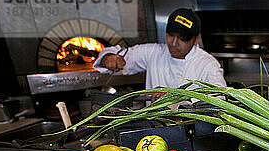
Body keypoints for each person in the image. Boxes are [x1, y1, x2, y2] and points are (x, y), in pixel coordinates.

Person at [93, 8, 226, 108]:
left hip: (191, 131)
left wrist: (179, 98)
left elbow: (220, 100)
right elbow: (117, 54)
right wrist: (109, 58)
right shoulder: (153, 52)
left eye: (182, 39)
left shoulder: (208, 65)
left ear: (196, 39)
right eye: (171, 35)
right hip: (152, 127)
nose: (174, 43)